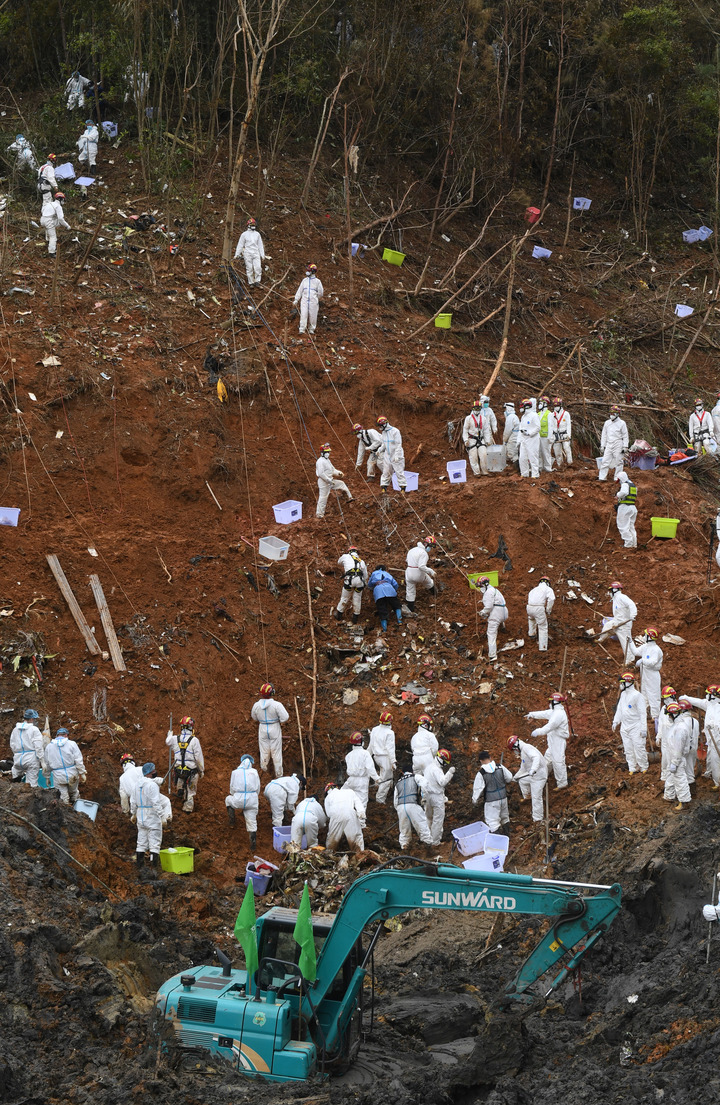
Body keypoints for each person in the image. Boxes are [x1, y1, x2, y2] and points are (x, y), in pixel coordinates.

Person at [679, 685, 720, 788]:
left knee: (716, 760)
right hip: (711, 739)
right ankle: (709, 773)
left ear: (713, 695)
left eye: (708, 694)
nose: (706, 695)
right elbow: (697, 701)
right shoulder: (709, 704)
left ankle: (717, 783)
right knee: (710, 758)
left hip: (717, 738)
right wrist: (685, 698)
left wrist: (715, 726)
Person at [527, 693, 570, 789]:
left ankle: (562, 784)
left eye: (550, 701)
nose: (549, 703)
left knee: (558, 762)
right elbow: (544, 713)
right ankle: (542, 777)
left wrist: (538, 731)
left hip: (558, 741)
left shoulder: (558, 714)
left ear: (554, 702)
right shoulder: (555, 711)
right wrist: (532, 714)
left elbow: (549, 727)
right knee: (547, 760)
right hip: (553, 741)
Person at [415, 749, 455, 846]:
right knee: (438, 819)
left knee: (428, 818)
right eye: (445, 762)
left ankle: (426, 839)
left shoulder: (428, 767)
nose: (445, 765)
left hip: (427, 796)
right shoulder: (436, 769)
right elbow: (442, 782)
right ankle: (435, 842)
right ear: (442, 759)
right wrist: (450, 773)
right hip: (436, 798)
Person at [130, 763, 165, 871]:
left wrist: (133, 813)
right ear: (150, 772)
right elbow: (156, 802)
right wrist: (162, 816)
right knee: (154, 843)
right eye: (154, 770)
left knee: (141, 842)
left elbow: (132, 801)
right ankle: (154, 869)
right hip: (151, 815)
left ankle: (140, 868)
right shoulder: (152, 785)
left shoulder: (137, 784)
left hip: (140, 814)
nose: (155, 772)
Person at [166, 716, 204, 812]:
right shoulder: (194, 740)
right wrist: (201, 770)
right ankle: (187, 809)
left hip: (178, 769)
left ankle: (180, 792)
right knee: (190, 791)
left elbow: (167, 741)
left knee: (181, 782)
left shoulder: (175, 739)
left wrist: (169, 735)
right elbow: (198, 758)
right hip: (191, 771)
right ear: (191, 727)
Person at [612, 671, 648, 774]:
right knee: (628, 749)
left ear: (628, 683)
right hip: (625, 726)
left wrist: (643, 728)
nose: (620, 685)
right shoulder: (623, 694)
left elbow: (642, 713)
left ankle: (643, 767)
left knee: (639, 747)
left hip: (636, 726)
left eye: (622, 682)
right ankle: (632, 767)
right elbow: (620, 709)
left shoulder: (637, 696)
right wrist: (616, 721)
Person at [251, 683, 289, 776]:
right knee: (276, 751)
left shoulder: (256, 705)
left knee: (264, 749)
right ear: (272, 693)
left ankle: (264, 771)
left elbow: (254, 717)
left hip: (263, 727)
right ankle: (278, 773)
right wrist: (277, 720)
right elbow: (285, 717)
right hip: (274, 727)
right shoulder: (277, 705)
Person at [507, 735, 547, 822]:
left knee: (536, 798)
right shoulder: (523, 754)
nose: (514, 752)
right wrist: (514, 778)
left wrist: (533, 769)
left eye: (513, 750)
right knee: (522, 781)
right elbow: (523, 769)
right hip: (532, 776)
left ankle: (537, 820)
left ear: (516, 746)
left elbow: (536, 757)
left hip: (539, 776)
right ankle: (528, 798)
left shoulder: (527, 748)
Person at [394, 763, 433, 850]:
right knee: (422, 827)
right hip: (413, 805)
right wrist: (424, 798)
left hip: (401, 807)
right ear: (412, 770)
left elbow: (395, 800)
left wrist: (399, 810)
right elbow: (425, 784)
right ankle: (428, 848)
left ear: (402, 772)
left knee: (404, 831)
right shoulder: (416, 777)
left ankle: (404, 849)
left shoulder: (398, 782)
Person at [225, 754, 261, 847]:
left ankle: (232, 822)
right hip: (252, 799)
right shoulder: (254, 772)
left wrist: (235, 795)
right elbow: (258, 788)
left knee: (228, 799)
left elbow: (231, 788)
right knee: (252, 822)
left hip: (238, 799)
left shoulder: (235, 772)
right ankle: (253, 845)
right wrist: (252, 796)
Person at [596, 581, 637, 663]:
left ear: (615, 590)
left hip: (624, 625)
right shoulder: (615, 599)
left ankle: (629, 660)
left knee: (625, 643)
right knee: (607, 625)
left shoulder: (622, 597)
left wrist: (633, 615)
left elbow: (631, 604)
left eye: (611, 590)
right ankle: (601, 639)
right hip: (617, 621)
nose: (609, 592)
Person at [472, 750, 512, 831]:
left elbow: (478, 788)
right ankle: (507, 837)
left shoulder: (482, 773)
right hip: (503, 798)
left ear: (481, 761)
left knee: (492, 822)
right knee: (505, 818)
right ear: (490, 758)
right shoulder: (500, 767)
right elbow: (509, 778)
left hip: (491, 802)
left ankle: (498, 841)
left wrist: (474, 800)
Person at [628, 628, 663, 721]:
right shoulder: (645, 647)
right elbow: (635, 652)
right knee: (644, 694)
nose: (644, 636)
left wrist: (643, 660)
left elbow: (653, 662)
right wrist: (630, 642)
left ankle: (655, 716)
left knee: (653, 695)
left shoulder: (656, 650)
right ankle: (644, 713)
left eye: (646, 635)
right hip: (645, 675)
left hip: (652, 675)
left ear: (650, 637)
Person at [661, 703, 691, 810]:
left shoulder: (681, 728)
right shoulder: (676, 726)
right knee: (672, 777)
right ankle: (669, 796)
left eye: (669, 715)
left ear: (674, 714)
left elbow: (678, 748)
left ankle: (684, 802)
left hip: (677, 760)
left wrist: (675, 762)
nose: (668, 717)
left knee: (680, 780)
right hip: (672, 758)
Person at [44, 727, 86, 804]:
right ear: (66, 735)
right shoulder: (72, 744)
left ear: (57, 735)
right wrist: (82, 772)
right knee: (74, 792)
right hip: (72, 774)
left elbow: (47, 763)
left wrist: (47, 777)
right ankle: (77, 808)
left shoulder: (49, 747)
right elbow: (78, 759)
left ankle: (66, 809)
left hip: (58, 775)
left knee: (63, 796)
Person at [315, 443, 353, 519]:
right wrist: (328, 480)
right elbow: (321, 474)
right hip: (324, 482)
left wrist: (339, 473)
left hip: (330, 481)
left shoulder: (327, 460)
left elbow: (332, 469)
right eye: (326, 452)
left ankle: (350, 497)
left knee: (341, 483)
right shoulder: (320, 462)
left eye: (328, 452)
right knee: (323, 497)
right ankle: (319, 514)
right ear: (322, 453)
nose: (328, 454)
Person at [324, 782, 365, 852]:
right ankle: (360, 855)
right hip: (350, 814)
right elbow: (358, 803)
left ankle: (329, 854)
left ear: (327, 791)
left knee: (332, 838)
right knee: (355, 838)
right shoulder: (349, 792)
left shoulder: (328, 797)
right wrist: (361, 814)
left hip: (335, 815)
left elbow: (329, 814)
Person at [9, 708, 45, 788]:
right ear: (32, 719)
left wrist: (17, 753)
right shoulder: (34, 729)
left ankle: (16, 788)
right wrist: (42, 759)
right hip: (31, 758)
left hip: (18, 758)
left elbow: (12, 744)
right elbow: (38, 746)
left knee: (16, 783)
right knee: (31, 784)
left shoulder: (15, 730)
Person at [334, 544, 368, 624]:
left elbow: (339, 562)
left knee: (345, 597)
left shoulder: (345, 556)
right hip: (360, 582)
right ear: (357, 553)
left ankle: (339, 614)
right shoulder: (361, 561)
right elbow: (365, 575)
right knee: (357, 598)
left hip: (349, 580)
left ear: (349, 551)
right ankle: (355, 617)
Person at [477, 574, 508, 662]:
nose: (480, 589)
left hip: (497, 613)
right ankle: (503, 627)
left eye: (480, 587)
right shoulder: (495, 590)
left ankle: (492, 656)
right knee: (498, 620)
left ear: (484, 585)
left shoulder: (488, 592)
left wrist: (482, 612)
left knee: (491, 634)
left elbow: (489, 607)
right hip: (504, 612)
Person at [367, 711, 396, 803]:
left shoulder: (374, 729)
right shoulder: (389, 733)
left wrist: (367, 755)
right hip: (385, 758)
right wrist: (393, 761)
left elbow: (371, 745)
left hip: (376, 756)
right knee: (387, 779)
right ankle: (380, 799)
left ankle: (380, 787)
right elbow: (390, 748)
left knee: (383, 775)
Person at [343, 732, 379, 804]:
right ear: (361, 742)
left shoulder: (348, 755)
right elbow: (370, 768)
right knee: (361, 803)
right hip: (361, 781)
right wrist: (377, 779)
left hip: (350, 780)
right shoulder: (365, 754)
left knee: (345, 799)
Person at [404, 536, 436, 612]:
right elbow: (421, 566)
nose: (430, 549)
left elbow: (406, 560)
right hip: (418, 573)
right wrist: (431, 571)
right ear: (427, 545)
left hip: (409, 572)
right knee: (428, 581)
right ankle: (435, 594)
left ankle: (410, 609)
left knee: (410, 591)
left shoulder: (412, 550)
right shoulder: (423, 553)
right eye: (431, 546)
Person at [367, 565, 402, 630]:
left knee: (382, 609)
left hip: (378, 592)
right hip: (390, 589)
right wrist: (394, 590)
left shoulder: (374, 573)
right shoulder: (387, 574)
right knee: (396, 605)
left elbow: (369, 585)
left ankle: (384, 629)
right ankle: (400, 620)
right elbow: (395, 584)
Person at [598, 405, 628, 481]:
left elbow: (625, 435)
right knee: (605, 461)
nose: (611, 415)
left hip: (618, 443)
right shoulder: (607, 423)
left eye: (613, 414)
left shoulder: (622, 423)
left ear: (617, 414)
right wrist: (602, 445)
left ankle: (617, 478)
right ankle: (602, 477)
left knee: (619, 462)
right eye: (610, 414)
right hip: (609, 444)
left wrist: (625, 446)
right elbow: (604, 435)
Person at [376, 416, 406, 492]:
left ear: (385, 424)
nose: (380, 427)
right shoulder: (384, 432)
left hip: (396, 454)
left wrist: (397, 455)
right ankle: (384, 488)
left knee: (399, 471)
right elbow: (384, 444)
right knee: (386, 471)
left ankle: (402, 488)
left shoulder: (395, 431)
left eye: (380, 425)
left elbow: (398, 444)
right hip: (387, 455)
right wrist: (379, 450)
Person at [526, 574, 555, 652]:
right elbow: (551, 599)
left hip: (529, 607)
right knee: (543, 627)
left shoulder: (534, 589)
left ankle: (532, 634)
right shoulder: (548, 589)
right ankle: (543, 647)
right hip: (538, 608)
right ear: (548, 583)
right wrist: (548, 610)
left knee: (531, 619)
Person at [233, 217, 265, 286]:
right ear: (248, 225)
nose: (253, 226)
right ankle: (251, 282)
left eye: (254, 225)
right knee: (249, 268)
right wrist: (237, 254)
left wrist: (262, 254)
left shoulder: (257, 234)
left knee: (258, 267)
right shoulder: (244, 234)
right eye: (252, 224)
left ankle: (257, 281)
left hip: (256, 252)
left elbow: (260, 245)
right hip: (247, 253)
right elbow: (240, 245)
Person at [293, 263, 323, 335]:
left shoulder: (317, 282)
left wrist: (315, 299)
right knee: (303, 314)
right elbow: (299, 291)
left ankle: (311, 329)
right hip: (304, 301)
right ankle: (302, 329)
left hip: (313, 302)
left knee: (313, 316)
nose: (307, 272)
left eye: (309, 270)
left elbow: (321, 293)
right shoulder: (304, 281)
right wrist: (296, 299)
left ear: (312, 271)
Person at [657, 685, 678, 780]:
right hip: (665, 737)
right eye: (664, 699)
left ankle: (674, 776)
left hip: (674, 738)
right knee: (665, 757)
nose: (665, 701)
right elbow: (661, 723)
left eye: (667, 698)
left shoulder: (677, 709)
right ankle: (664, 775)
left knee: (674, 757)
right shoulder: (663, 709)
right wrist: (659, 736)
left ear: (672, 697)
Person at [463, 399, 488, 477]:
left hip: (481, 439)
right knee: (473, 457)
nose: (477, 410)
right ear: (473, 409)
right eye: (475, 409)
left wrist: (488, 440)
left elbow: (486, 430)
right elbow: (465, 430)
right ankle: (477, 472)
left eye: (478, 409)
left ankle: (485, 471)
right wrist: (466, 440)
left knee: (484, 455)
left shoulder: (483, 418)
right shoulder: (468, 418)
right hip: (472, 440)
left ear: (481, 409)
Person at [40, 192, 70, 256]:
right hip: (49, 221)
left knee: (48, 230)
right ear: (61, 199)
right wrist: (67, 226)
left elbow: (42, 211)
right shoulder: (58, 206)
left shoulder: (49, 204)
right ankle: (52, 252)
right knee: (53, 237)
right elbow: (61, 218)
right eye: (63, 200)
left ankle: (47, 240)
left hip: (42, 219)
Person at [518, 398, 540, 478]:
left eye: (522, 407)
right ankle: (524, 474)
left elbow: (538, 427)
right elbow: (521, 428)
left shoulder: (534, 415)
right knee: (522, 457)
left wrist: (529, 433)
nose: (520, 409)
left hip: (532, 439)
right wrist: (519, 440)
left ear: (526, 407)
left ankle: (535, 474)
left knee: (533, 457)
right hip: (524, 439)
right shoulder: (523, 416)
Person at [679, 700, 700, 788]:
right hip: (694, 747)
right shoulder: (695, 721)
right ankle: (692, 787)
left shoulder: (681, 722)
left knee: (682, 769)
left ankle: (686, 789)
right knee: (690, 767)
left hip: (685, 748)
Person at [615, 472, 638, 549]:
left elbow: (624, 492)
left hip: (625, 507)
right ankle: (634, 544)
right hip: (633, 508)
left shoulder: (625, 484)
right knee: (631, 526)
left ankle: (628, 544)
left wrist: (617, 495)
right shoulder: (633, 486)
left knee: (623, 526)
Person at [550, 397, 572, 467]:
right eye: (555, 406)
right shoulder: (552, 415)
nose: (556, 407)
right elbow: (550, 426)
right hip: (556, 434)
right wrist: (551, 436)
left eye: (558, 406)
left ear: (561, 405)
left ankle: (570, 463)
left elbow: (568, 424)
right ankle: (560, 465)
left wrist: (569, 435)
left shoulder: (566, 414)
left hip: (564, 433)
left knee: (567, 448)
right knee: (557, 451)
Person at [537, 396, 553, 472]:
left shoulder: (549, 414)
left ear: (545, 404)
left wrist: (550, 437)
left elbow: (550, 426)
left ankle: (547, 467)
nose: (539, 405)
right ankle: (540, 467)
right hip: (538, 437)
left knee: (546, 453)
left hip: (545, 437)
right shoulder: (538, 414)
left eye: (541, 403)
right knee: (539, 452)